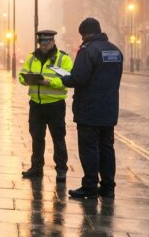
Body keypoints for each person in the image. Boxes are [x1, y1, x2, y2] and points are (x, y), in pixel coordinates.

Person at [61, 17, 123, 199]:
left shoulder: (88, 51)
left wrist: (64, 78)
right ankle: (108, 186)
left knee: (89, 149)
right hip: (109, 109)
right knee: (106, 148)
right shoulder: (115, 50)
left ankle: (89, 186)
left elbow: (78, 78)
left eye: (82, 36)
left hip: (89, 110)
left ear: (86, 34)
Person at [18, 30, 73, 183]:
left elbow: (68, 80)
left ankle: (61, 170)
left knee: (58, 139)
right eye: (41, 43)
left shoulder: (63, 59)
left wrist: (49, 82)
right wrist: (26, 79)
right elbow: (22, 74)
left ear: (53, 42)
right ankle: (36, 168)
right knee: (37, 138)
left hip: (55, 105)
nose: (43, 46)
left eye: (46, 43)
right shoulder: (32, 57)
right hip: (36, 104)